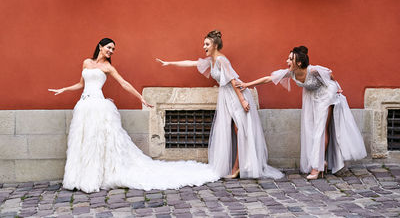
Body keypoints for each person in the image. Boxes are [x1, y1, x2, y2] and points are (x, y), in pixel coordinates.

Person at [48, 38, 219, 193]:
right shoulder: (86, 62)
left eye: (113, 49)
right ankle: (80, 177)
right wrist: (64, 89)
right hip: (84, 106)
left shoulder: (108, 67)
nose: (111, 51)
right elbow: (80, 84)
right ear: (100, 47)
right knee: (84, 141)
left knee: (98, 142)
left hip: (99, 107)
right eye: (109, 47)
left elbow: (124, 84)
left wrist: (141, 98)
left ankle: (95, 177)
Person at [156, 30, 284, 180]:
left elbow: (233, 81)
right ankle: (238, 166)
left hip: (236, 96)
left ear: (215, 45)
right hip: (226, 97)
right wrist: (170, 63)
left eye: (207, 44)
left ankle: (238, 167)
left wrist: (242, 100)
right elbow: (192, 63)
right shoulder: (212, 60)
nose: (204, 47)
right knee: (237, 130)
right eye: (204, 44)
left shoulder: (222, 60)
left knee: (241, 130)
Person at [237, 46, 367, 179]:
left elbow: (330, 74)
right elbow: (268, 79)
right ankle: (322, 161)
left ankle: (316, 168)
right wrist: (247, 84)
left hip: (326, 96)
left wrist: (338, 88)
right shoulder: (291, 73)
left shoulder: (314, 71)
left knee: (320, 130)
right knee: (311, 130)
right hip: (311, 98)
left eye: (290, 59)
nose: (286, 61)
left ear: (298, 63)